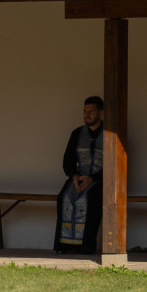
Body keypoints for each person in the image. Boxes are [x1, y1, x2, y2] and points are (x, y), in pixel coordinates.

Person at [54, 96, 104, 255]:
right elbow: (67, 160)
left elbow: (115, 164)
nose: (86, 115)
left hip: (100, 180)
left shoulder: (109, 134)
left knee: (93, 199)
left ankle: (86, 246)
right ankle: (65, 245)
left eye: (91, 111)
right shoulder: (77, 133)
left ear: (101, 113)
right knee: (64, 197)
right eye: (84, 111)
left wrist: (94, 178)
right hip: (79, 178)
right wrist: (74, 176)